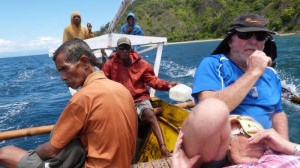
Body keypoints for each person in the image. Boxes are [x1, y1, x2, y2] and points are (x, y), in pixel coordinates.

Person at [0, 38, 138, 168]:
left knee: (5, 153)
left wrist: (35, 153)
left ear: (84, 62)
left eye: (65, 69)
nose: (62, 77)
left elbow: (50, 151)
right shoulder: (123, 90)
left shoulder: (83, 97)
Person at [192, 13, 288, 139]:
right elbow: (210, 113)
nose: (253, 41)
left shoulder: (271, 73)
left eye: (260, 36)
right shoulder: (213, 64)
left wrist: (284, 147)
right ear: (230, 41)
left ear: (264, 43)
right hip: (225, 147)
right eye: (245, 35)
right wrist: (254, 72)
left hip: (266, 146)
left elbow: (277, 114)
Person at [102, 37, 177, 158]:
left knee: (150, 115)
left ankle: (163, 149)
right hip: (120, 102)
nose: (124, 51)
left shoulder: (142, 65)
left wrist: (167, 85)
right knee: (116, 125)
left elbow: (153, 81)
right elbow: (102, 82)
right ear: (117, 50)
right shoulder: (109, 65)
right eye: (121, 48)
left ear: (131, 49)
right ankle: (120, 155)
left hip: (139, 99)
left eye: (126, 48)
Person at [171, 98, 300, 168]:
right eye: (250, 129)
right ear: (228, 144)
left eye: (262, 131)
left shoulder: (280, 152)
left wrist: (289, 146)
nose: (262, 136)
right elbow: (210, 111)